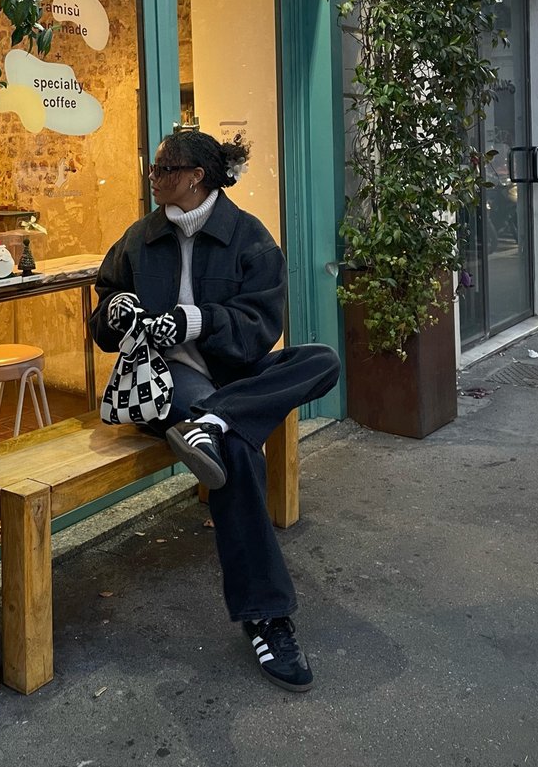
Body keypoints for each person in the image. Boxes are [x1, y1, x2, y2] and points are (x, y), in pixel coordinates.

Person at [89, 128, 341, 692]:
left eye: (161, 170)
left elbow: (260, 330)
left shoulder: (250, 238)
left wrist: (194, 320)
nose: (152, 179)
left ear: (194, 175)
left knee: (321, 359)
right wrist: (117, 311)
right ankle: (266, 616)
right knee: (235, 451)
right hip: (164, 381)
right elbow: (103, 315)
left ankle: (217, 418)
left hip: (234, 372)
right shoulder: (139, 239)